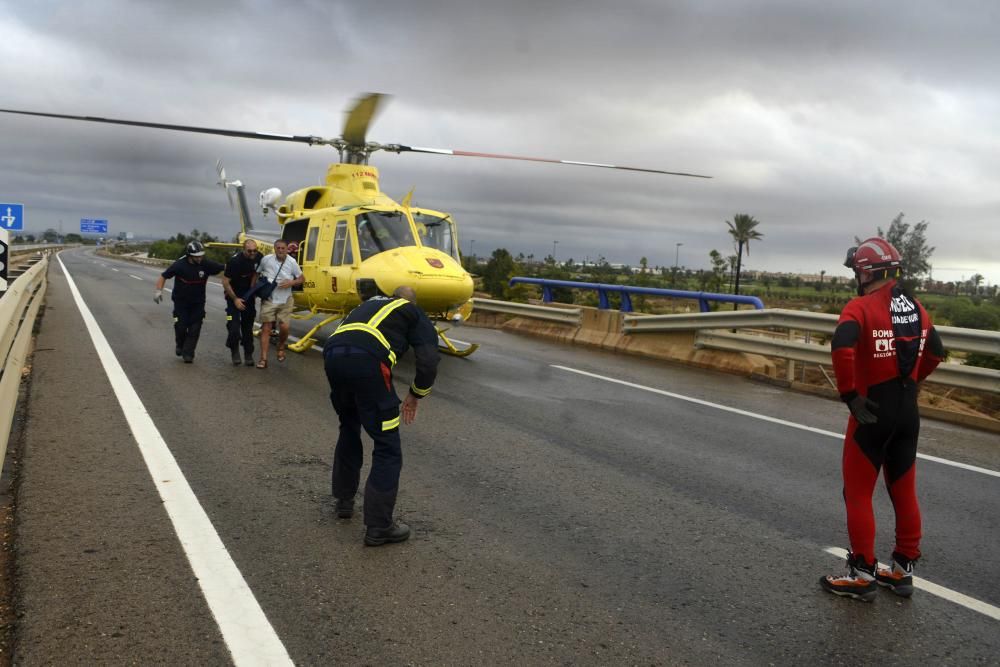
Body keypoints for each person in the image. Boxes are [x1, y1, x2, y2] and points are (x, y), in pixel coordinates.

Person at [820, 237, 945, 602]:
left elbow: (842, 345)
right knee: (903, 489)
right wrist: (913, 382)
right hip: (907, 410)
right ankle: (903, 570)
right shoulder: (917, 308)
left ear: (864, 271)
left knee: (857, 492)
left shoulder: (859, 307)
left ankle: (862, 574)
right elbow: (936, 352)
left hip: (872, 411)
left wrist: (849, 395)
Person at [322, 281, 440, 546]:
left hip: (332, 355)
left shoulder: (369, 305)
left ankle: (344, 500)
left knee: (349, 425)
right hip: (368, 360)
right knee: (387, 445)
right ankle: (379, 526)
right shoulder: (412, 311)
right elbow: (429, 359)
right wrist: (416, 393)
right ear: (412, 302)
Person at [154, 240, 225, 363]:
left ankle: (189, 353)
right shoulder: (179, 265)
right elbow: (164, 276)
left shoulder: (206, 264)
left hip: (198, 303)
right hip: (181, 302)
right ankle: (180, 344)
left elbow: (224, 268)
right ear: (189, 255)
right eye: (196, 257)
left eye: (201, 256)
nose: (199, 259)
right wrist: (158, 290)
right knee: (180, 326)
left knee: (195, 328)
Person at [255, 239, 304, 369]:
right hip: (269, 299)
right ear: (274, 249)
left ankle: (281, 345)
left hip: (286, 299)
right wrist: (254, 290)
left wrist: (291, 283)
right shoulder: (266, 260)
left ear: (287, 249)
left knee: (284, 328)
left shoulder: (292, 262)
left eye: (283, 248)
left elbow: (301, 278)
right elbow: (257, 273)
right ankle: (263, 359)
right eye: (278, 248)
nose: (281, 250)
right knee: (266, 328)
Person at [221, 239, 261, 366]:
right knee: (233, 326)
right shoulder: (235, 262)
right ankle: (234, 350)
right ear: (244, 249)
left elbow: (256, 273)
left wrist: (252, 290)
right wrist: (235, 299)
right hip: (233, 297)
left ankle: (248, 354)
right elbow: (225, 282)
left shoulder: (258, 257)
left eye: (255, 250)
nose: (252, 253)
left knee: (247, 328)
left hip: (248, 297)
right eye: (249, 251)